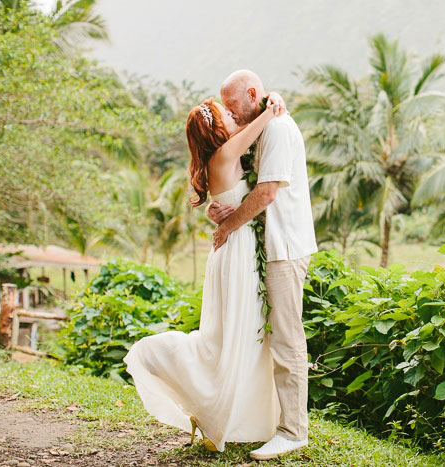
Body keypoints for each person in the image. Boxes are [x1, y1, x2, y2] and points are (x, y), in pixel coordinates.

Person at [123, 92, 287, 452]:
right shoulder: (226, 153)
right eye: (224, 114)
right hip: (236, 250)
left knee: (231, 335)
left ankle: (218, 413)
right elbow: (266, 117)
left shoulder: (219, 158)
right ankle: (207, 402)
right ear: (215, 130)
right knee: (233, 335)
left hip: (231, 250)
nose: (232, 116)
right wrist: (271, 103)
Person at [207, 69, 317, 461]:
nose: (230, 113)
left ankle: (293, 431)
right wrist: (225, 210)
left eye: (233, 104)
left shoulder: (278, 130)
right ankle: (268, 421)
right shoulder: (263, 123)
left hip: (285, 247)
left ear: (253, 94)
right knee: (270, 340)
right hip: (270, 247)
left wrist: (228, 227)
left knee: (288, 340)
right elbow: (249, 184)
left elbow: (267, 192)